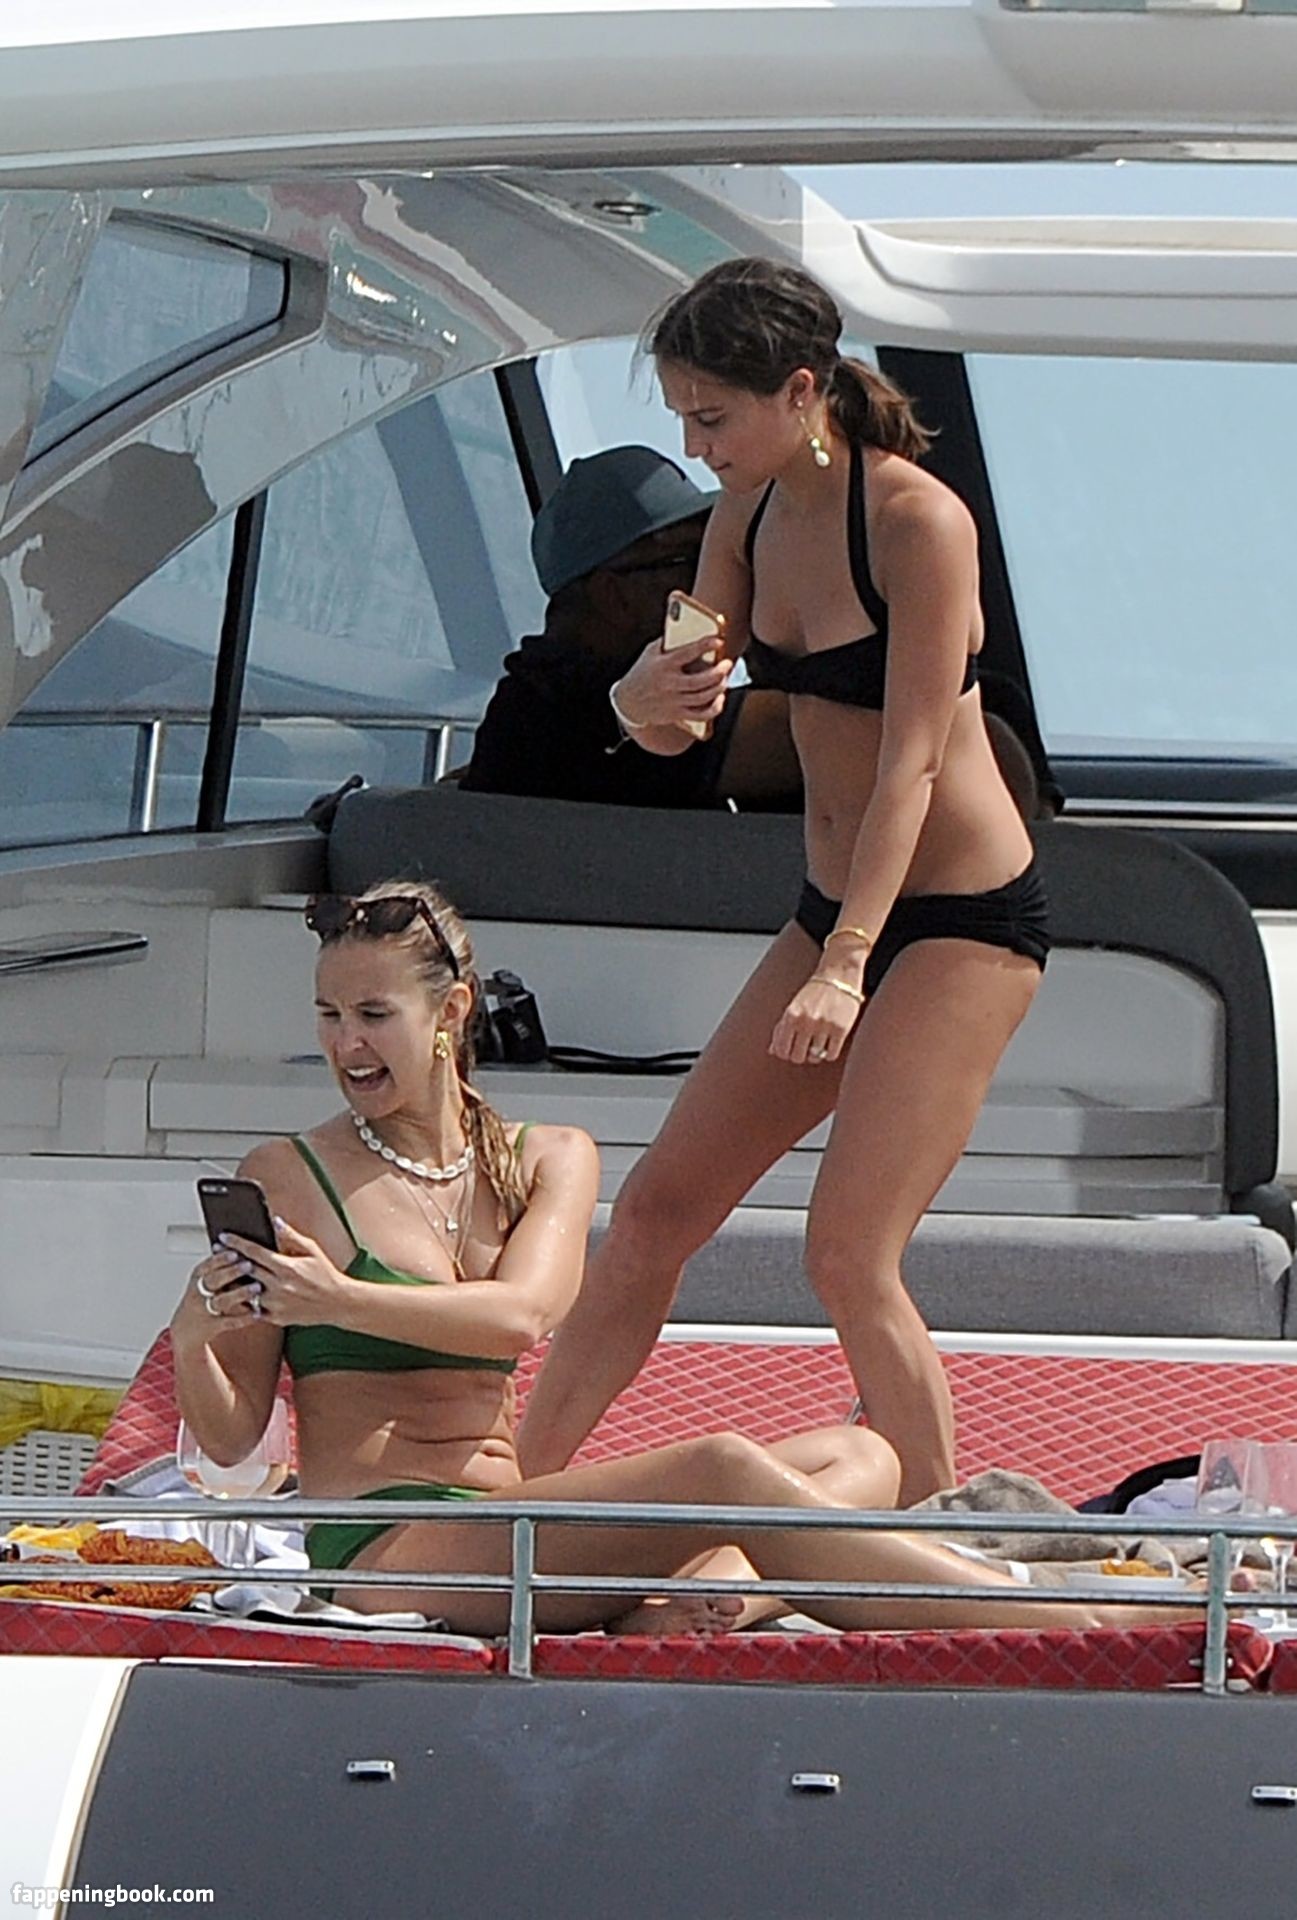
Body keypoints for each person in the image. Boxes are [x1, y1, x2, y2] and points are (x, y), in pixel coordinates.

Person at [170, 878, 1154, 1636]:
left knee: (862, 1455)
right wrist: (194, 1332)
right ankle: (1062, 1619)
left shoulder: (546, 1157)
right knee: (724, 1468)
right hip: (388, 1552)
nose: (346, 1044)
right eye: (328, 1015)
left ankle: (698, 1603)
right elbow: (231, 1435)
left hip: (508, 1527)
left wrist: (336, 1300)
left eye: (372, 1014)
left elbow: (522, 1316)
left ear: (451, 1011)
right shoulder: (289, 1173)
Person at [518, 259, 1051, 1507]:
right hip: (832, 913)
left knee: (847, 1256)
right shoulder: (742, 518)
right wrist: (635, 701)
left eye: (711, 418)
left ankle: (937, 1544)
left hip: (958, 923)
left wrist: (848, 965)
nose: (693, 448)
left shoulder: (917, 524)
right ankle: (511, 1500)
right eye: (682, 418)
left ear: (801, 391)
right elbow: (678, 723)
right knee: (652, 1218)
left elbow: (915, 762)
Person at [459, 445, 800, 810]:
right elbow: (808, 741)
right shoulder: (570, 708)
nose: (716, 576)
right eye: (692, 559)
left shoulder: (534, 703)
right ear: (613, 594)